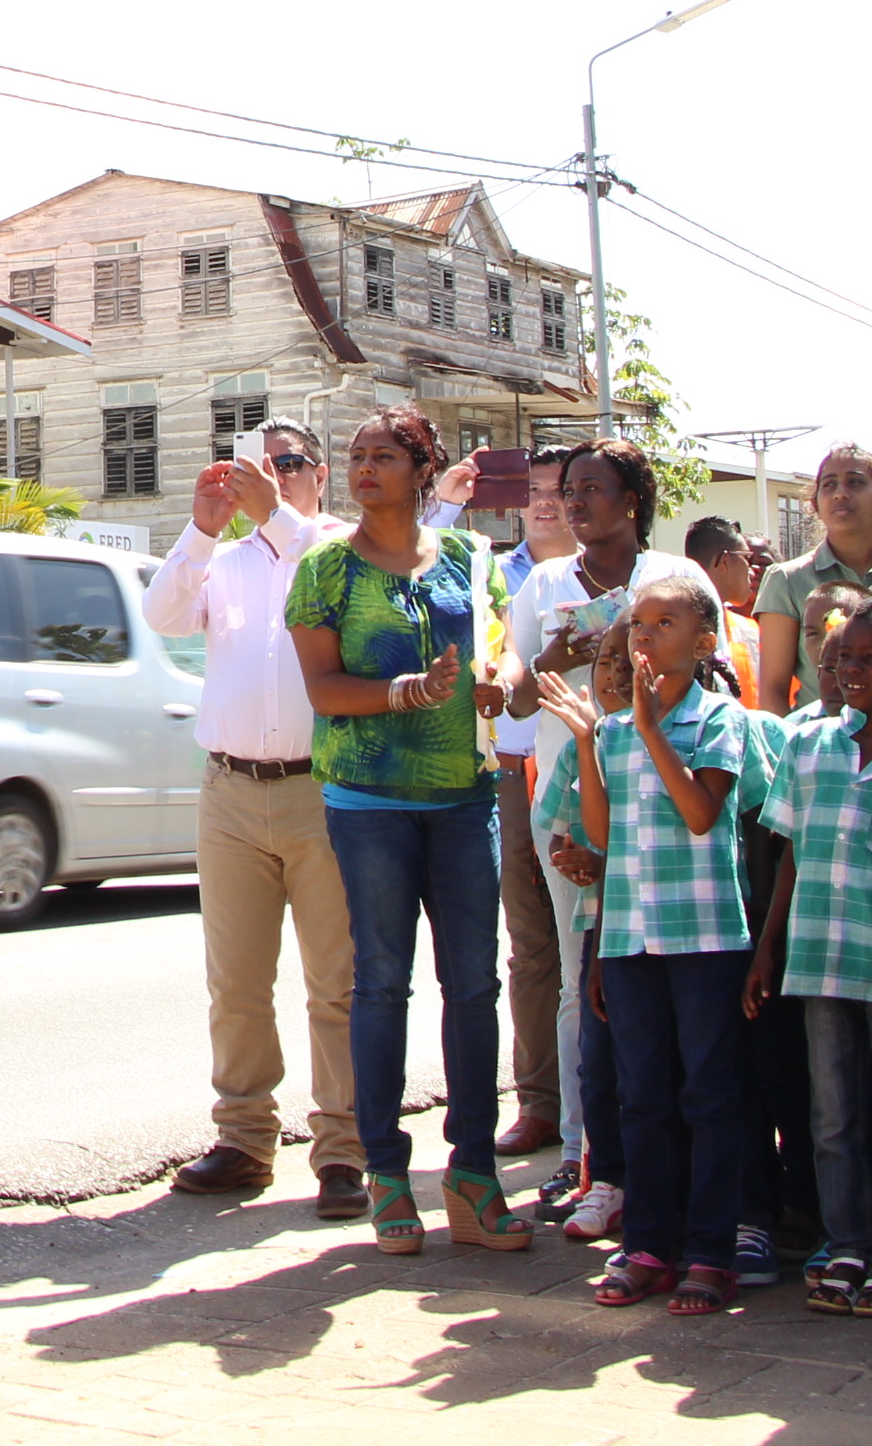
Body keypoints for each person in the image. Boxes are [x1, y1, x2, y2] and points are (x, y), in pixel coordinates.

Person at [285, 405, 524, 1256]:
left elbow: (504, 649)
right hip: (369, 803)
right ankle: (387, 1173)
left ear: (425, 471)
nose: (363, 468)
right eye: (356, 455)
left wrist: (498, 679)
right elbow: (321, 690)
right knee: (382, 983)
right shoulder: (325, 569)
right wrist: (404, 693)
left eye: (383, 455)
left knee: (475, 986)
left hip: (465, 795)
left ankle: (473, 1175)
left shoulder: (469, 555)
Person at [143, 419, 367, 1217]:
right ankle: (243, 1139)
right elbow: (164, 615)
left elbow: (328, 567)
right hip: (232, 791)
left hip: (323, 792)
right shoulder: (226, 563)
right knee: (235, 982)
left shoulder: (337, 544)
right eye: (254, 468)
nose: (268, 479)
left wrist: (274, 514)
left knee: (335, 982)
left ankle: (344, 1149)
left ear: (319, 472)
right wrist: (202, 529)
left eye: (287, 465)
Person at [503, 442, 717, 1219]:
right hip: (573, 800)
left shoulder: (677, 578)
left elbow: (716, 672)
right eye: (568, 489)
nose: (574, 502)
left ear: (633, 499)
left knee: (663, 980)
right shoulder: (545, 583)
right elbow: (519, 701)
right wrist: (564, 653)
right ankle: (578, 1154)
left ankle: (666, 1161)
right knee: (578, 977)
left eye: (593, 489)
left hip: (666, 796)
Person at [544, 575, 756, 1316]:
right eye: (639, 624)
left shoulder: (720, 720)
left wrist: (650, 727)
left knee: (710, 1096)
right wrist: (590, 738)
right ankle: (649, 1244)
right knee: (643, 1097)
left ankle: (711, 1252)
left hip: (703, 938)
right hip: (631, 938)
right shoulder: (613, 731)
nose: (644, 637)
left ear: (702, 644)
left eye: (665, 624)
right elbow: (603, 838)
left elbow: (701, 814)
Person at [748, 595, 872, 1321]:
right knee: (831, 1115)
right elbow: (793, 855)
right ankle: (849, 1241)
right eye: (842, 658)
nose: (850, 671)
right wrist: (770, 947)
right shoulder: (811, 745)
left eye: (869, 658)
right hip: (820, 959)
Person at [537, 620, 637, 1247]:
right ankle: (597, 1171)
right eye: (605, 662)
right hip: (601, 925)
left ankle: (646, 1180)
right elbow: (557, 829)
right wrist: (570, 853)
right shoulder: (584, 744)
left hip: (662, 928)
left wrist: (603, 862)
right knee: (597, 1056)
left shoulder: (662, 740)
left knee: (649, 1065)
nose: (616, 676)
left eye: (629, 662)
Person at [492, 451, 579, 1159]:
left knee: (600, 942)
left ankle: (596, 1103)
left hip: (597, 770)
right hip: (516, 770)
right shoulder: (501, 574)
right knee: (531, 947)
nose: (546, 504)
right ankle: (540, 1103)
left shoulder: (614, 574)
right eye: (536, 492)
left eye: (561, 492)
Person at [754, 446, 872, 715]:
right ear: (814, 504)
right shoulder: (786, 579)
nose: (840, 493)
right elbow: (773, 691)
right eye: (829, 485)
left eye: (855, 482)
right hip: (818, 744)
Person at [682, 517, 762, 702]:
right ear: (724, 560)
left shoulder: (748, 629)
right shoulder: (679, 629)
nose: (752, 570)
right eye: (746, 558)